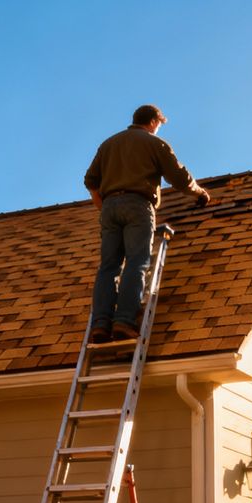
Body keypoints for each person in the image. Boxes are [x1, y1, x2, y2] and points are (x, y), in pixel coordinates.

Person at [83, 104, 210, 343]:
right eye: (158, 126)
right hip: (138, 204)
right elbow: (179, 177)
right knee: (137, 262)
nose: (157, 130)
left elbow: (90, 181)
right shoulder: (154, 144)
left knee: (108, 267)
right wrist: (200, 193)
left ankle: (100, 325)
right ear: (153, 122)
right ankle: (123, 321)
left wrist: (104, 207)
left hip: (109, 206)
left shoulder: (109, 144)